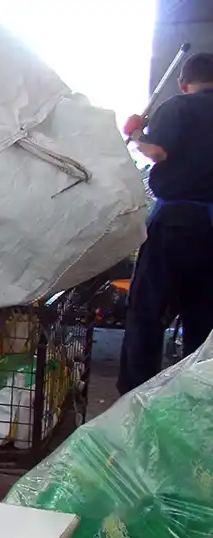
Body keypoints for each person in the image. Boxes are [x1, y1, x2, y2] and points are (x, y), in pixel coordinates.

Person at [119, 52, 213, 394]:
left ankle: (133, 397)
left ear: (182, 82)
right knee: (203, 320)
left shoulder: (178, 107)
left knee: (147, 311)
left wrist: (136, 133)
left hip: (176, 224)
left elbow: (157, 152)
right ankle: (197, 396)